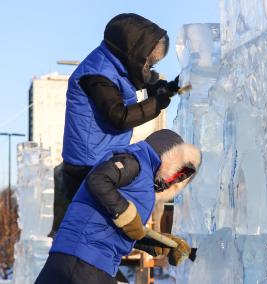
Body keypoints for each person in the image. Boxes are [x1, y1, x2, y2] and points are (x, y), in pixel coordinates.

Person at [51, 13, 181, 235]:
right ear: (133, 52)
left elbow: (144, 79)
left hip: (100, 159)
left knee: (102, 230)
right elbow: (119, 117)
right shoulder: (96, 75)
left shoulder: (116, 64)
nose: (149, 66)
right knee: (92, 232)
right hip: (86, 166)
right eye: (147, 60)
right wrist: (156, 104)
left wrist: (164, 88)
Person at [36, 129, 202, 283]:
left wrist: (162, 245)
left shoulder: (144, 185)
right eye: (177, 173)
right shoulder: (133, 160)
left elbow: (123, 228)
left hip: (96, 263)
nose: (173, 181)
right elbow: (98, 180)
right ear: (170, 159)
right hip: (80, 260)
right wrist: (125, 213)